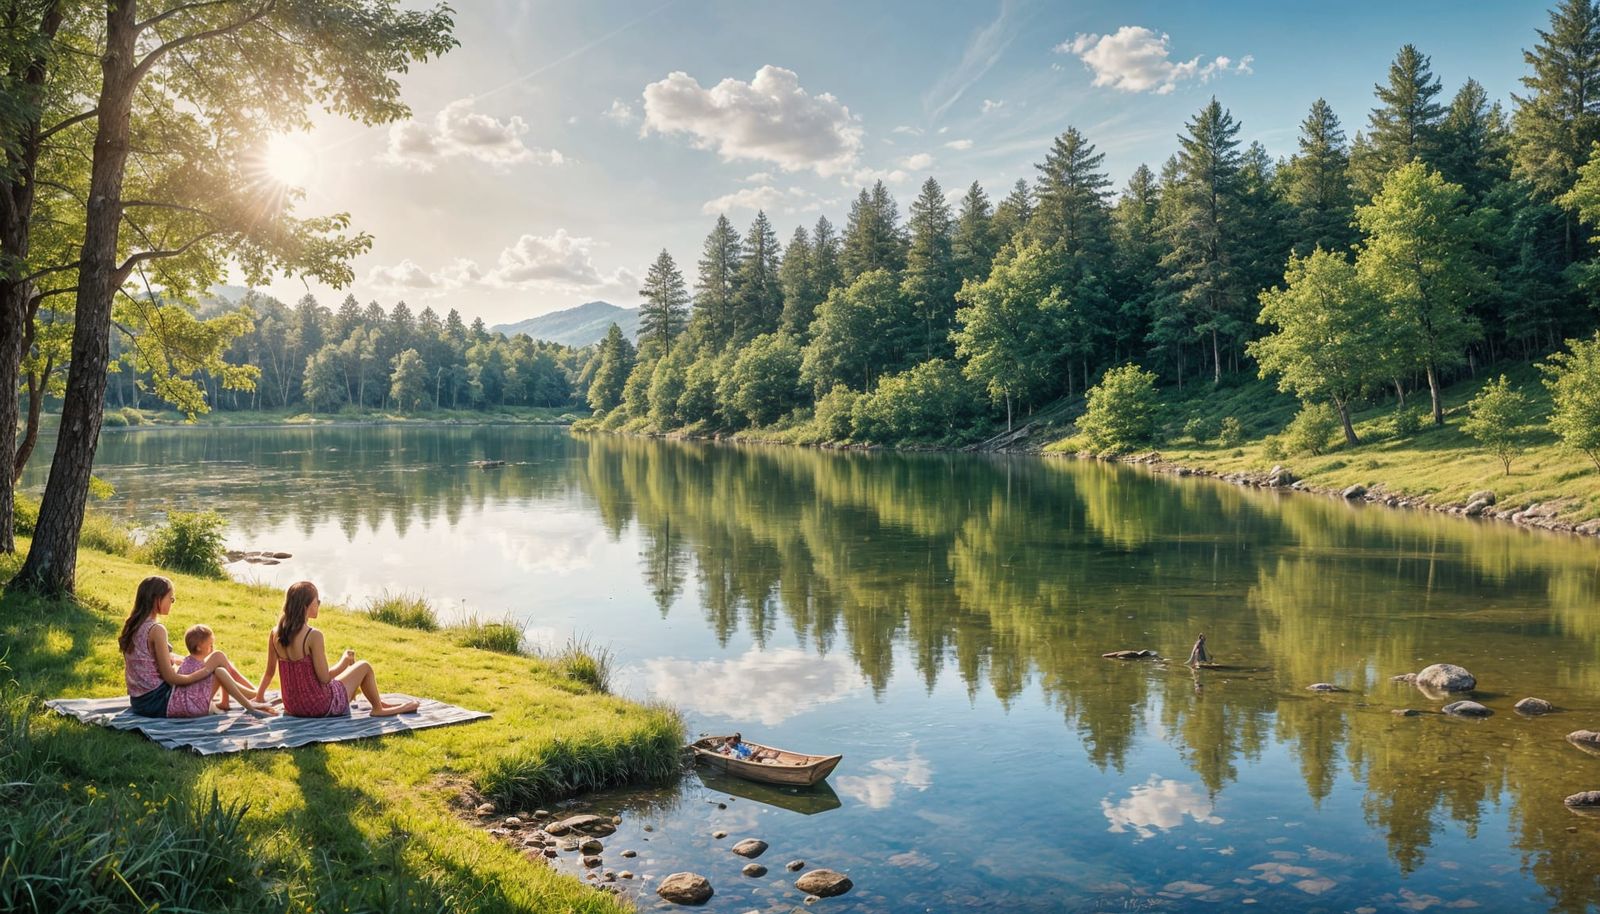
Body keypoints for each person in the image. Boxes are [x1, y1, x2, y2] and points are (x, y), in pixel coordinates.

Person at [118, 575, 276, 718]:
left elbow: (149, 659)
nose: (172, 602)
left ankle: (254, 696)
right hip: (161, 702)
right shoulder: (156, 630)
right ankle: (254, 701)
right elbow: (171, 679)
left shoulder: (134, 625)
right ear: (157, 599)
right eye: (170, 599)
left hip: (140, 702)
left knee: (217, 660)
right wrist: (204, 671)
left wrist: (185, 662)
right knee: (218, 666)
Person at [256, 581, 420, 718]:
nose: (319, 604)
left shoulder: (275, 633)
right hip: (318, 706)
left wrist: (259, 697)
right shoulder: (313, 635)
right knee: (364, 666)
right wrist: (344, 661)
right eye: (317, 601)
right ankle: (379, 709)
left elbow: (269, 672)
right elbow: (325, 678)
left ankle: (379, 702)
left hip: (292, 706)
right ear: (306, 606)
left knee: (342, 680)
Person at [179, 624, 257, 711]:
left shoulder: (189, 661)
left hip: (191, 703)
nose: (213, 648)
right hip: (193, 706)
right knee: (219, 666)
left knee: (220, 665)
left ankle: (243, 696)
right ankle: (250, 695)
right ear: (199, 648)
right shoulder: (194, 664)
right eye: (210, 645)